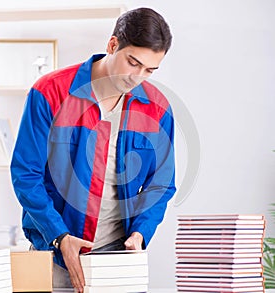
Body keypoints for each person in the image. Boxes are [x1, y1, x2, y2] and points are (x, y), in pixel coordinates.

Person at [10, 7, 176, 292]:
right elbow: (26, 175)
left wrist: (140, 233)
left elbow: (160, 184)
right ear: (113, 45)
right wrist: (59, 236)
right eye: (133, 63)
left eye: (149, 70)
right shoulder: (50, 92)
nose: (137, 77)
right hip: (53, 256)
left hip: (117, 260)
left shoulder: (158, 109)